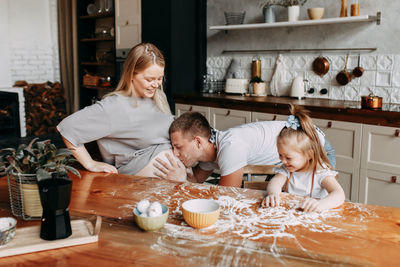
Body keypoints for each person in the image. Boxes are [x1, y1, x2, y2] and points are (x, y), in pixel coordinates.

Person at [57, 43, 186, 180]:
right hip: (138, 186)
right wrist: (90, 164)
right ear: (131, 75)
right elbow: (68, 128)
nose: (156, 84)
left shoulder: (158, 97)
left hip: (175, 181)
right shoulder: (115, 106)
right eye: (149, 79)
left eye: (159, 78)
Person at [154, 107, 336, 187]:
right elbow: (197, 185)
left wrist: (183, 184)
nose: (175, 153)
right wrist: (183, 179)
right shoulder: (209, 155)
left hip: (313, 149)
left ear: (198, 142)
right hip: (289, 161)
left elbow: (225, 198)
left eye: (178, 147)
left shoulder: (230, 147)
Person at [261, 106, 345, 212]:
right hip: (292, 215)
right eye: (280, 155)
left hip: (313, 218)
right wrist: (273, 194)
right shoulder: (287, 169)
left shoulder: (320, 172)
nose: (283, 161)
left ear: (309, 155)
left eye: (288, 157)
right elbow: (275, 182)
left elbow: (339, 194)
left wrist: (320, 204)